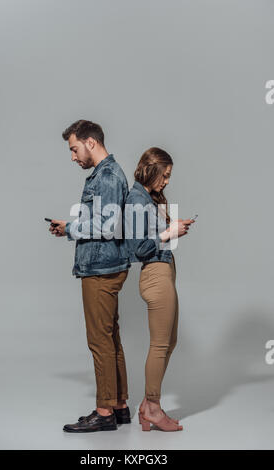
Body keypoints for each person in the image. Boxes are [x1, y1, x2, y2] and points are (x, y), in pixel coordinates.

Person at [49, 120, 131, 433]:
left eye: (74, 148)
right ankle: (120, 406)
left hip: (101, 268)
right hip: (106, 265)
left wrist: (70, 229)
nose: (73, 156)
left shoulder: (107, 176)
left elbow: (109, 228)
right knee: (110, 338)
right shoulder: (106, 174)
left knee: (100, 340)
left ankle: (104, 412)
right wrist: (69, 228)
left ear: (91, 143)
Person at [124, 147, 195, 432]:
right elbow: (137, 248)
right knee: (160, 344)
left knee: (170, 340)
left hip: (164, 270)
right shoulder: (136, 198)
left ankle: (146, 406)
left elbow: (152, 237)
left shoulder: (148, 199)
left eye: (168, 177)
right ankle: (152, 408)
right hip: (155, 273)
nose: (166, 181)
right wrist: (170, 232)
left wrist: (172, 226)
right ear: (151, 169)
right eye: (164, 175)